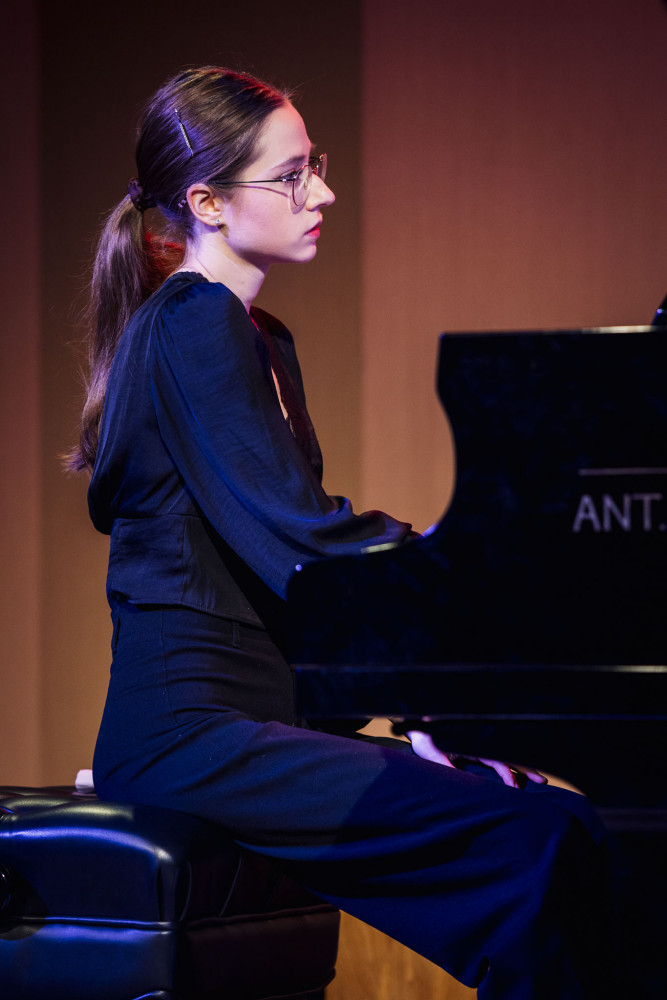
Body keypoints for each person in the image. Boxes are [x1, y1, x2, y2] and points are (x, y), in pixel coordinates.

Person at [68, 66, 617, 998]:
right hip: (193, 735)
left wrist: (427, 713)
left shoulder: (261, 336)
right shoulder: (193, 323)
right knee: (536, 847)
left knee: (565, 823)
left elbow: (301, 586)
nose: (320, 193)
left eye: (312, 165)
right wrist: (470, 584)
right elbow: (306, 542)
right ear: (205, 202)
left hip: (266, 722)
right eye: (289, 177)